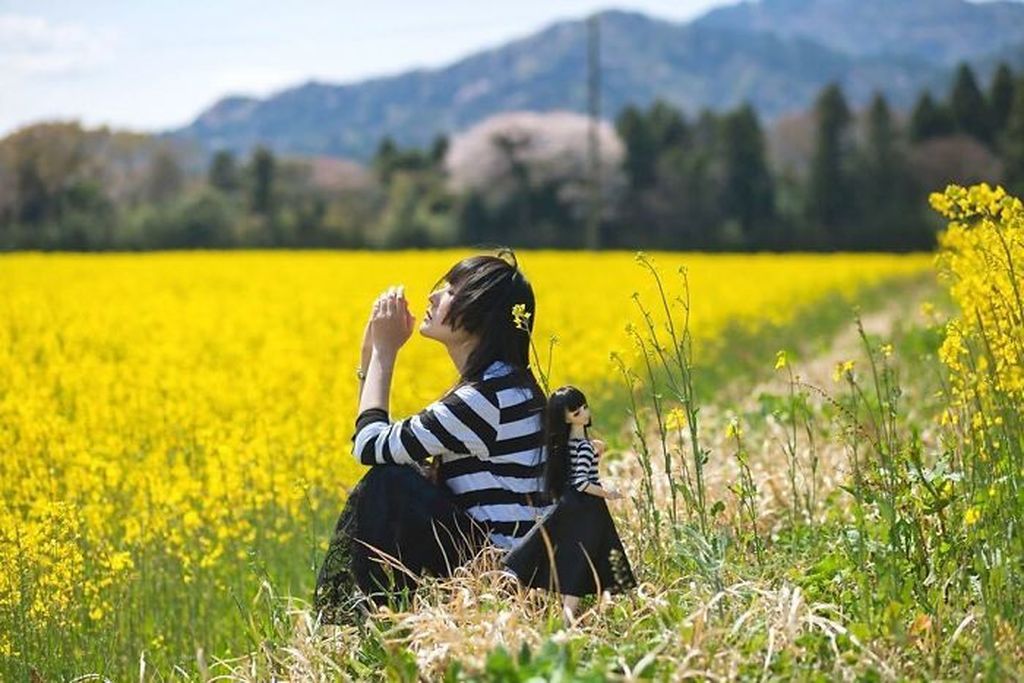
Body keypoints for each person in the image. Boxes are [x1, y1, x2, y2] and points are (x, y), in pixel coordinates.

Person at [315, 250, 551, 621]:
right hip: (515, 570)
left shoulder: (485, 399)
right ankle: (373, 618)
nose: (433, 296)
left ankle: (362, 623)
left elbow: (370, 446)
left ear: (480, 317)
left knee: (391, 481)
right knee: (405, 471)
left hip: (503, 581)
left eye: (452, 291)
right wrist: (370, 354)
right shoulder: (507, 384)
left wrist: (383, 353)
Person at [503, 385, 636, 620]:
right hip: (587, 509)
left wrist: (597, 451)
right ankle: (567, 620)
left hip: (568, 506)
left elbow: (577, 472)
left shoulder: (564, 448)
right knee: (582, 562)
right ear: (564, 418)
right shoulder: (583, 447)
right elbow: (582, 482)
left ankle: (537, 609)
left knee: (559, 556)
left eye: (584, 408)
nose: (584, 413)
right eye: (577, 412)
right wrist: (608, 493)